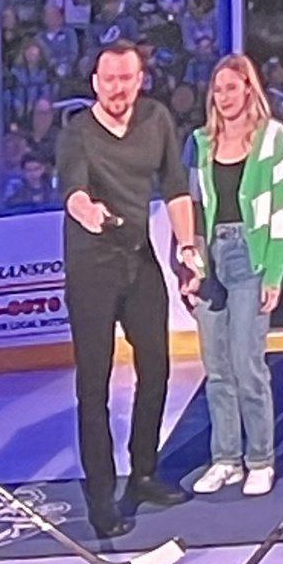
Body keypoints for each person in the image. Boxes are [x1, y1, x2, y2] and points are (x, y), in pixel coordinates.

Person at [57, 41, 200, 538]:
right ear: (95, 82)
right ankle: (100, 497)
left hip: (140, 261)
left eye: (127, 78)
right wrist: (88, 212)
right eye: (109, 79)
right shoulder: (78, 132)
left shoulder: (157, 119)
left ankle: (143, 472)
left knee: (157, 368)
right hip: (91, 267)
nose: (118, 88)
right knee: (92, 387)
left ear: (140, 80)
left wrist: (187, 249)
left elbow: (176, 188)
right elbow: (73, 191)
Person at [185, 55, 283, 498]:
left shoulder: (272, 138)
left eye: (232, 87)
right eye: (218, 89)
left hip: (252, 255)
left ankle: (260, 459)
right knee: (216, 368)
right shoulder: (200, 142)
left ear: (249, 89)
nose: (224, 97)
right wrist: (189, 263)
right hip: (211, 258)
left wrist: (276, 269)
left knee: (248, 364)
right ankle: (225, 457)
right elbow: (190, 207)